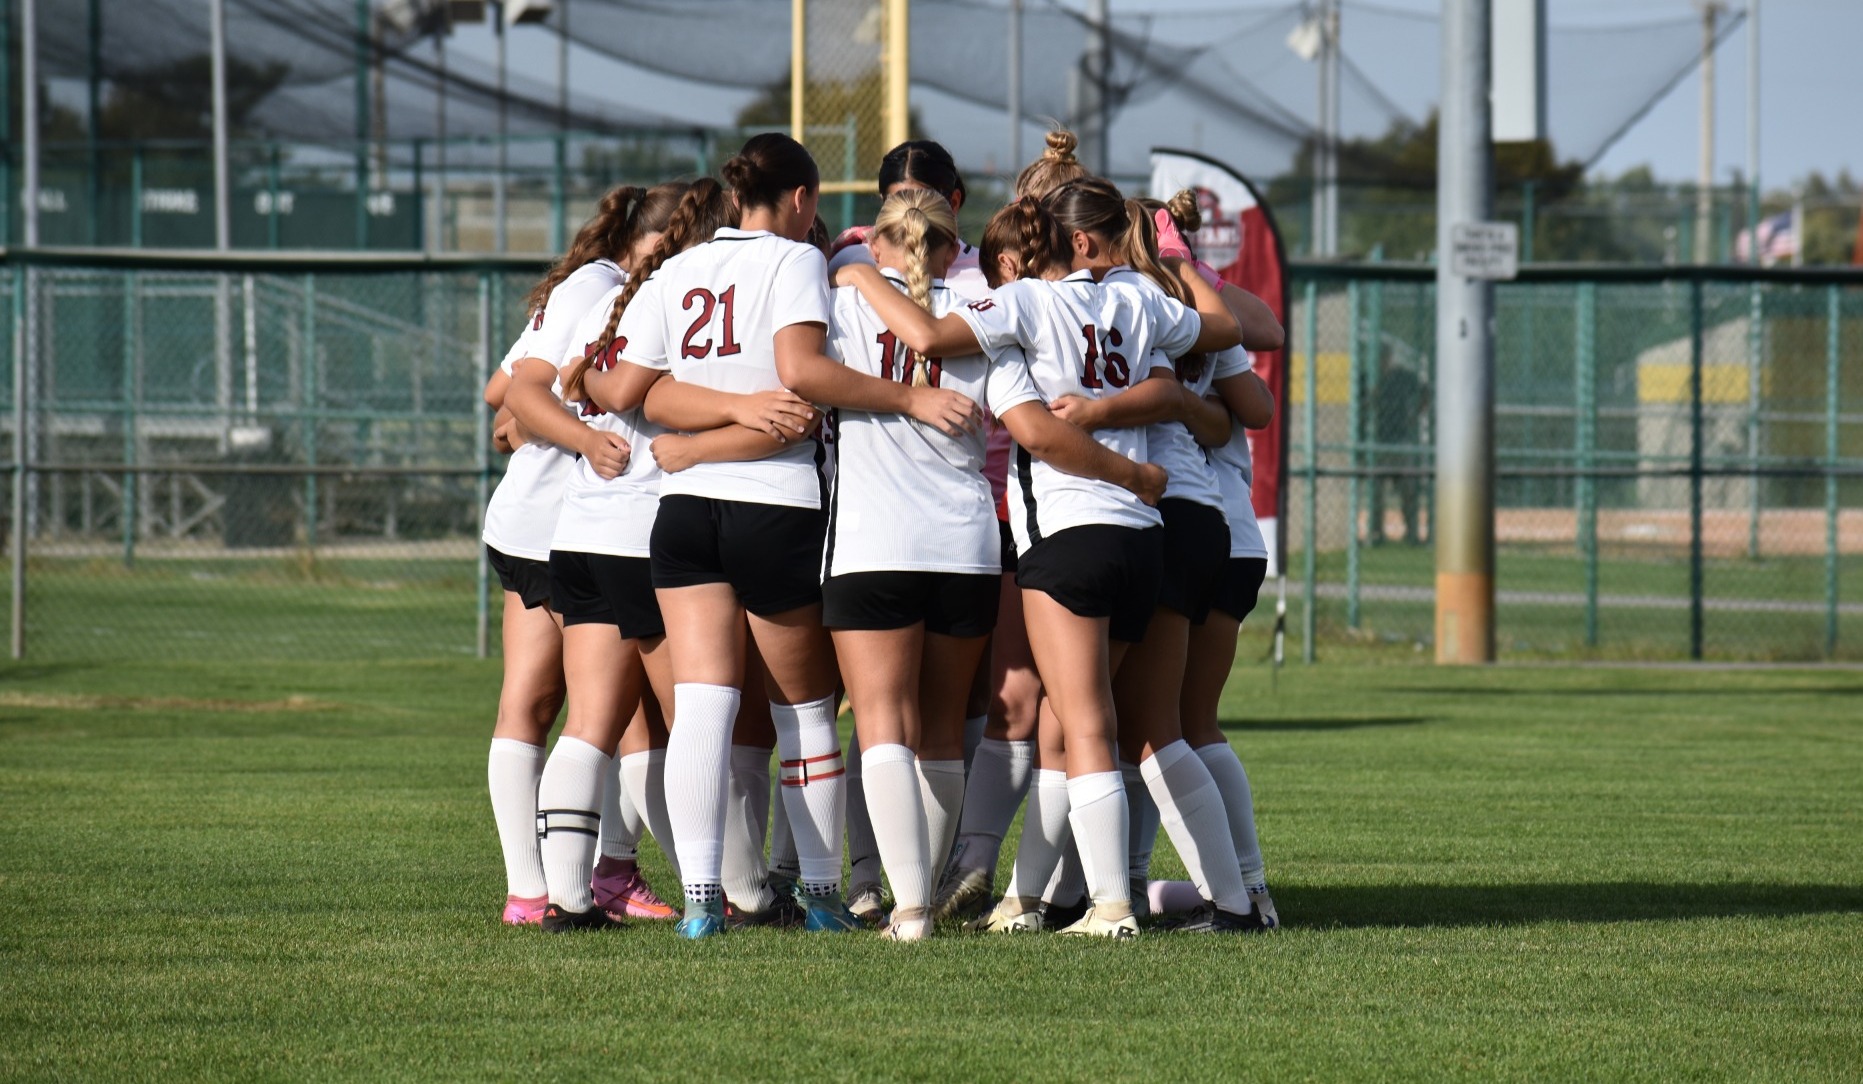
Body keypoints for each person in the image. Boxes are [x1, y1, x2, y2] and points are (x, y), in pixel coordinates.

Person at [838, 192, 1234, 938]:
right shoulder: (1134, 296)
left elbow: (932, 340)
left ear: (1014, 264)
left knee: (1083, 725)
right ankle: (1046, 896)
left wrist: (861, 277)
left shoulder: (1018, 308)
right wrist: (1166, 268)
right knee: (1090, 726)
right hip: (1144, 538)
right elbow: (1218, 335)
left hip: (1071, 532)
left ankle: (1111, 905)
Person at [584, 135, 884, 939]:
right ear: (800, 200)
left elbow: (631, 394)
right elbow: (798, 388)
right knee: (807, 713)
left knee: (702, 710)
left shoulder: (676, 269)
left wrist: (707, 418)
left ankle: (700, 903)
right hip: (774, 506)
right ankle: (821, 896)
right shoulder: (795, 260)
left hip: (685, 516)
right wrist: (747, 408)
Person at [479, 186, 638, 927]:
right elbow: (515, 397)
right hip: (556, 522)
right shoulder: (602, 288)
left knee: (555, 704)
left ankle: (551, 886)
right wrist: (569, 426)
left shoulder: (590, 282)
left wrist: (530, 416)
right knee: (591, 708)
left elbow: (501, 395)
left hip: (535, 518)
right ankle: (571, 883)